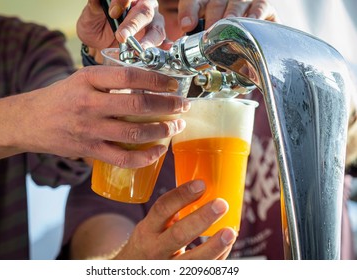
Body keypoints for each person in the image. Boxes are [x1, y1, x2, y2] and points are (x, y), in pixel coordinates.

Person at [59, 0, 357, 260]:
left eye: (212, 8)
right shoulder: (114, 138)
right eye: (177, 10)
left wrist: (284, 53)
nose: (200, 27)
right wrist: (135, 262)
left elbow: (345, 139)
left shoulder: (279, 96)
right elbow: (97, 253)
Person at [0, 0, 196, 259]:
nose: (192, 28)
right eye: (174, 10)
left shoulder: (25, 43)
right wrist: (29, 115)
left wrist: (104, 59)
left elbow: (64, 155)